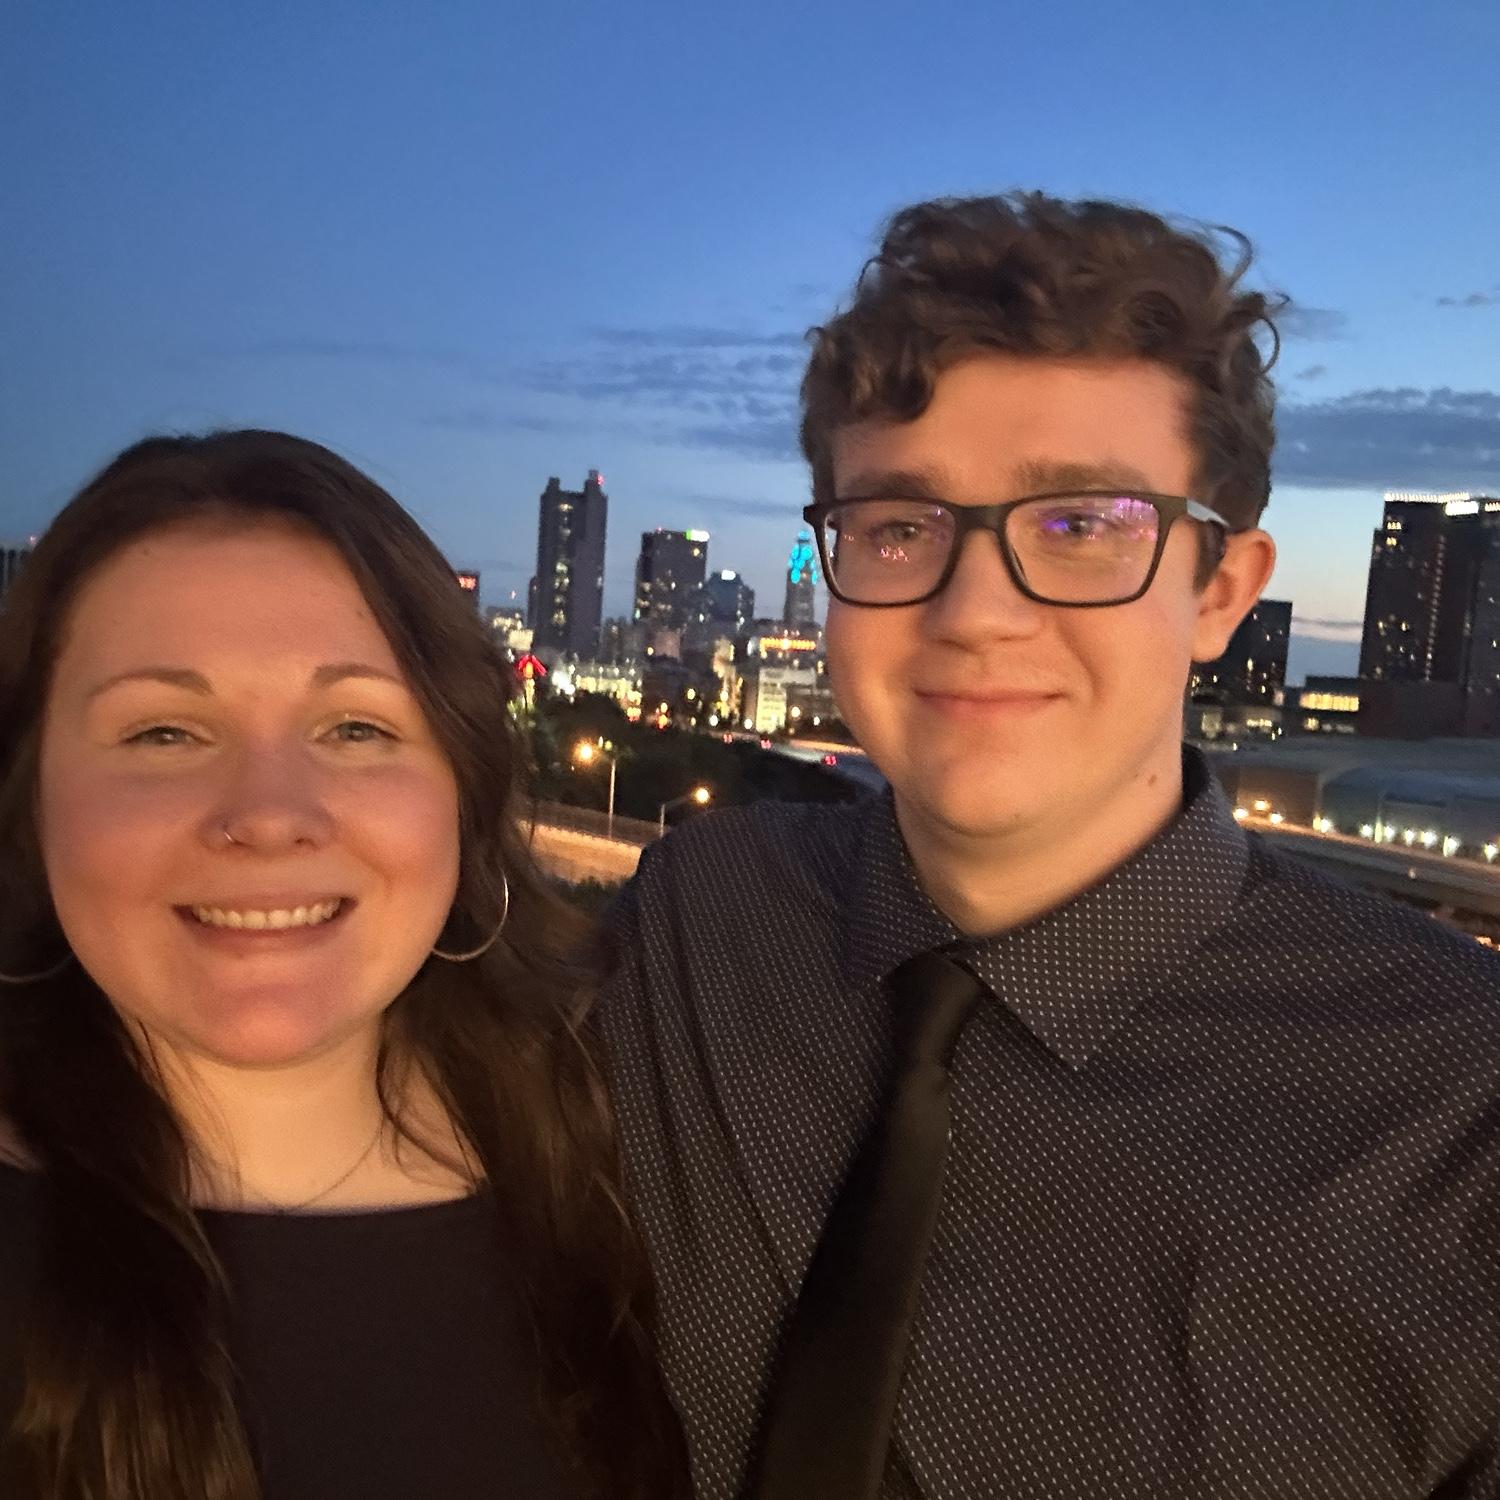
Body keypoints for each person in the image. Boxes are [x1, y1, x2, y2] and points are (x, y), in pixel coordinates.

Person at [601, 193, 1500, 1500]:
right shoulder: (702, 914)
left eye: (1081, 525)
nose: (975, 612)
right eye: (899, 526)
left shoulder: (1466, 1122)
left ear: (1221, 590)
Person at [0, 431, 689, 1500]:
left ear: (462, 792)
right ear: (32, 796)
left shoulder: (653, 1172)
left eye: (356, 727)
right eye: (164, 734)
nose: (269, 814)